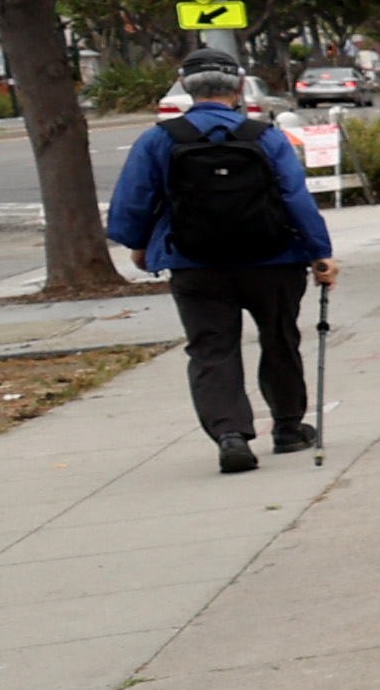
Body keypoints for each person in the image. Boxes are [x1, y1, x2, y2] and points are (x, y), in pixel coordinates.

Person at [107, 59, 337, 473]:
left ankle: (231, 434)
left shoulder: (158, 140)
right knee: (280, 338)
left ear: (183, 86)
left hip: (195, 263)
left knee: (212, 349)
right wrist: (319, 251)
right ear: (240, 87)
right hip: (273, 259)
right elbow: (295, 198)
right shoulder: (265, 137)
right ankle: (287, 427)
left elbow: (131, 205)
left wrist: (142, 246)